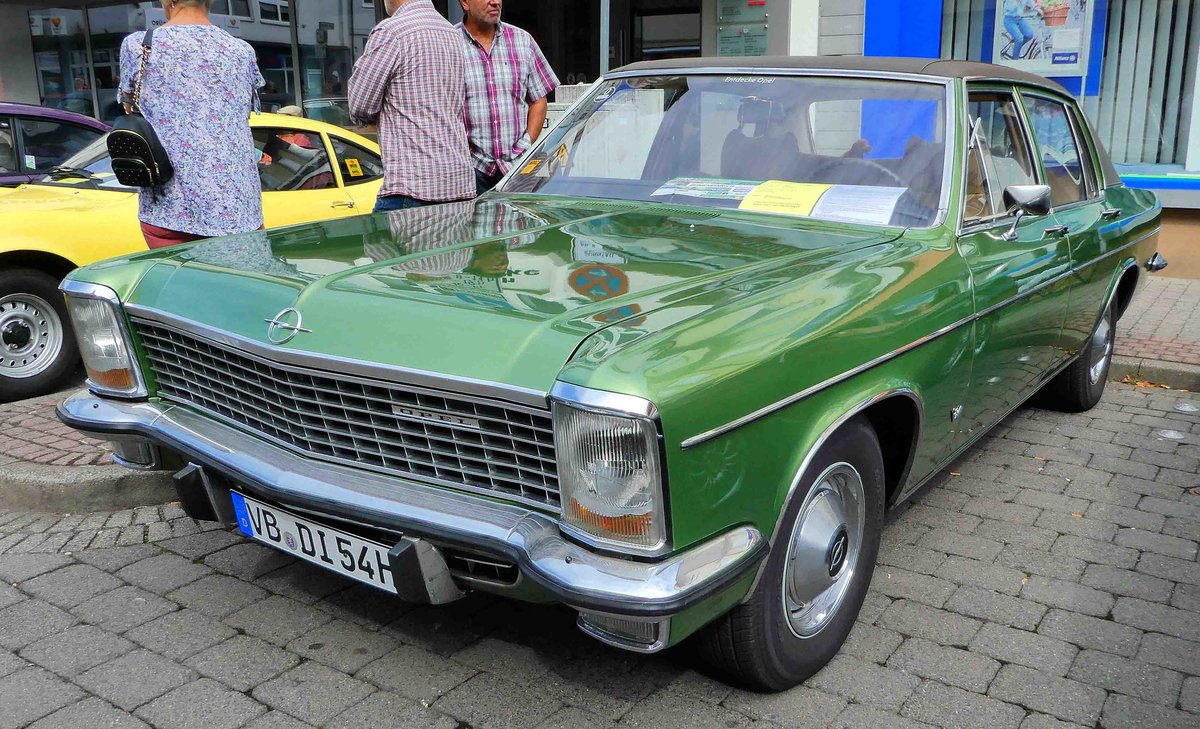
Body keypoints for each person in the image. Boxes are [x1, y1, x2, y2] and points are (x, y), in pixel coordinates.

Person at [117, 0, 265, 248]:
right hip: (237, 206)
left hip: (169, 205)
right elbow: (241, 114)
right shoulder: (242, 51)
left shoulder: (139, 45)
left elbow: (130, 108)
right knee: (242, 272)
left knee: (174, 274)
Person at [348, 0, 474, 211]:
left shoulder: (391, 32)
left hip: (413, 187)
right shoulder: (452, 33)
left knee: (376, 232)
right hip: (458, 184)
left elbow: (360, 105)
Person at [457, 0, 559, 194]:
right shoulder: (449, 44)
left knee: (520, 215)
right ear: (465, 2)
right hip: (470, 169)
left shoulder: (522, 41)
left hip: (518, 167)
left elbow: (538, 99)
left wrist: (526, 144)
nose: (495, 2)